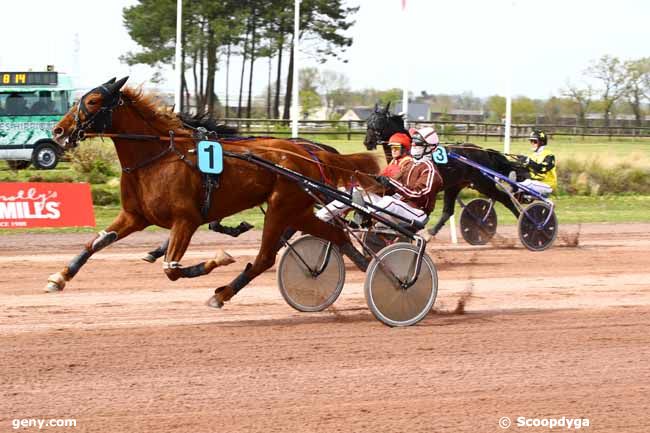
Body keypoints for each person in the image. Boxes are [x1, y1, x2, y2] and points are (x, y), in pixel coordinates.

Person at [316, 127, 441, 228]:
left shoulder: (430, 170)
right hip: (399, 206)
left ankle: (364, 215)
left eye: (418, 145)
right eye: (413, 144)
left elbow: (418, 193)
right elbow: (392, 187)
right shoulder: (411, 164)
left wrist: (391, 183)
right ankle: (319, 218)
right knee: (356, 192)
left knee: (388, 201)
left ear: (431, 148)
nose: (414, 148)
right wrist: (372, 181)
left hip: (417, 213)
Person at [516, 129, 557, 196]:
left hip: (547, 184)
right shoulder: (533, 155)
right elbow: (528, 170)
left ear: (542, 142)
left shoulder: (549, 155)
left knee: (528, 183)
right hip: (536, 183)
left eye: (534, 141)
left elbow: (543, 169)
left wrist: (528, 162)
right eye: (531, 141)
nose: (532, 143)